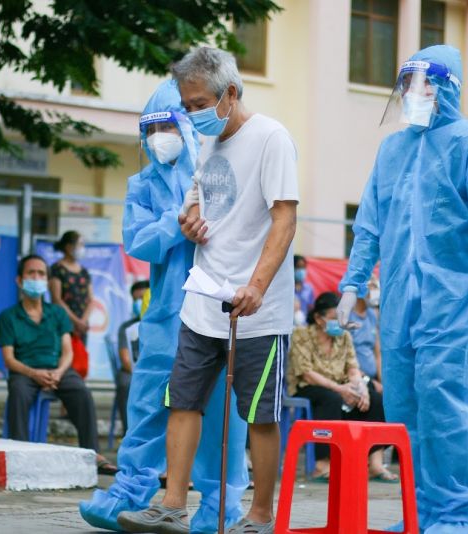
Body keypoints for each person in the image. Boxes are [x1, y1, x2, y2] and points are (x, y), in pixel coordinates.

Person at [337, 45, 468, 533]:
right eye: (406, 84)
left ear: (446, 88)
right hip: (400, 303)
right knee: (404, 408)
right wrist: (352, 283)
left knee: (441, 404)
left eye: (423, 84)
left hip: (454, 302)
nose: (412, 94)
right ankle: (419, 512)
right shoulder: (393, 149)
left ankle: (455, 516)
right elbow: (370, 225)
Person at [118, 46, 298, 534]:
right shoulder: (208, 144)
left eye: (198, 104)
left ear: (230, 94)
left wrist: (258, 285)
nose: (192, 115)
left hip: (255, 308)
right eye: (187, 104)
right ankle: (172, 504)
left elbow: (285, 217)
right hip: (201, 300)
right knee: (183, 401)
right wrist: (190, 220)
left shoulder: (271, 138)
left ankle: (259, 516)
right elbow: (197, 204)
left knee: (258, 415)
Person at [79, 79, 248, 533]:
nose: (159, 137)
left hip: (215, 307)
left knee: (217, 411)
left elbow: (242, 227)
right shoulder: (143, 183)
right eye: (150, 128)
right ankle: (129, 491)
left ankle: (220, 505)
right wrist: (178, 224)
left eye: (167, 125)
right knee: (150, 401)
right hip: (165, 315)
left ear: (187, 125)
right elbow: (138, 242)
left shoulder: (219, 169)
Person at [0, 253, 117, 475]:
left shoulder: (57, 313)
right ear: (20, 280)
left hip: (58, 370)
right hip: (25, 371)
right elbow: (9, 359)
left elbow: (68, 351)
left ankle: (92, 453)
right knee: (18, 393)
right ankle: (19, 453)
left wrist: (59, 372)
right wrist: (35, 373)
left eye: (41, 273)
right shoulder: (8, 316)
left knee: (81, 391)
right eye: (31, 273)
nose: (36, 277)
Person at [288, 292, 396, 483]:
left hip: (341, 386)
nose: (340, 322)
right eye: (334, 318)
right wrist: (341, 389)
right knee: (331, 398)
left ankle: (374, 462)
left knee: (377, 399)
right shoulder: (301, 334)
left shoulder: (344, 336)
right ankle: (322, 465)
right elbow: (306, 373)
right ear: (319, 318)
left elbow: (353, 367)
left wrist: (360, 388)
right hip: (310, 386)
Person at [115, 280, 150, 433]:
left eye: (143, 298)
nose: (140, 303)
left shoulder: (163, 325)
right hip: (132, 372)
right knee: (125, 383)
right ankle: (128, 431)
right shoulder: (126, 328)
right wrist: (141, 375)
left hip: (155, 372)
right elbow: (125, 359)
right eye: (136, 300)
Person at [49, 231, 93, 345]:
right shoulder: (57, 269)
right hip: (63, 324)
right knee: (64, 358)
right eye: (80, 244)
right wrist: (76, 321)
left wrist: (82, 322)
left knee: (80, 360)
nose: (82, 248)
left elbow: (91, 300)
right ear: (69, 247)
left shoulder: (84, 271)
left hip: (82, 327)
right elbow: (56, 300)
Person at [348, 286, 382, 389]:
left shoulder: (372, 315)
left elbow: (378, 354)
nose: (375, 292)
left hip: (374, 379)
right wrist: (370, 382)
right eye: (372, 287)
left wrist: (382, 382)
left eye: (376, 287)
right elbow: (347, 359)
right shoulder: (348, 317)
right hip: (356, 379)